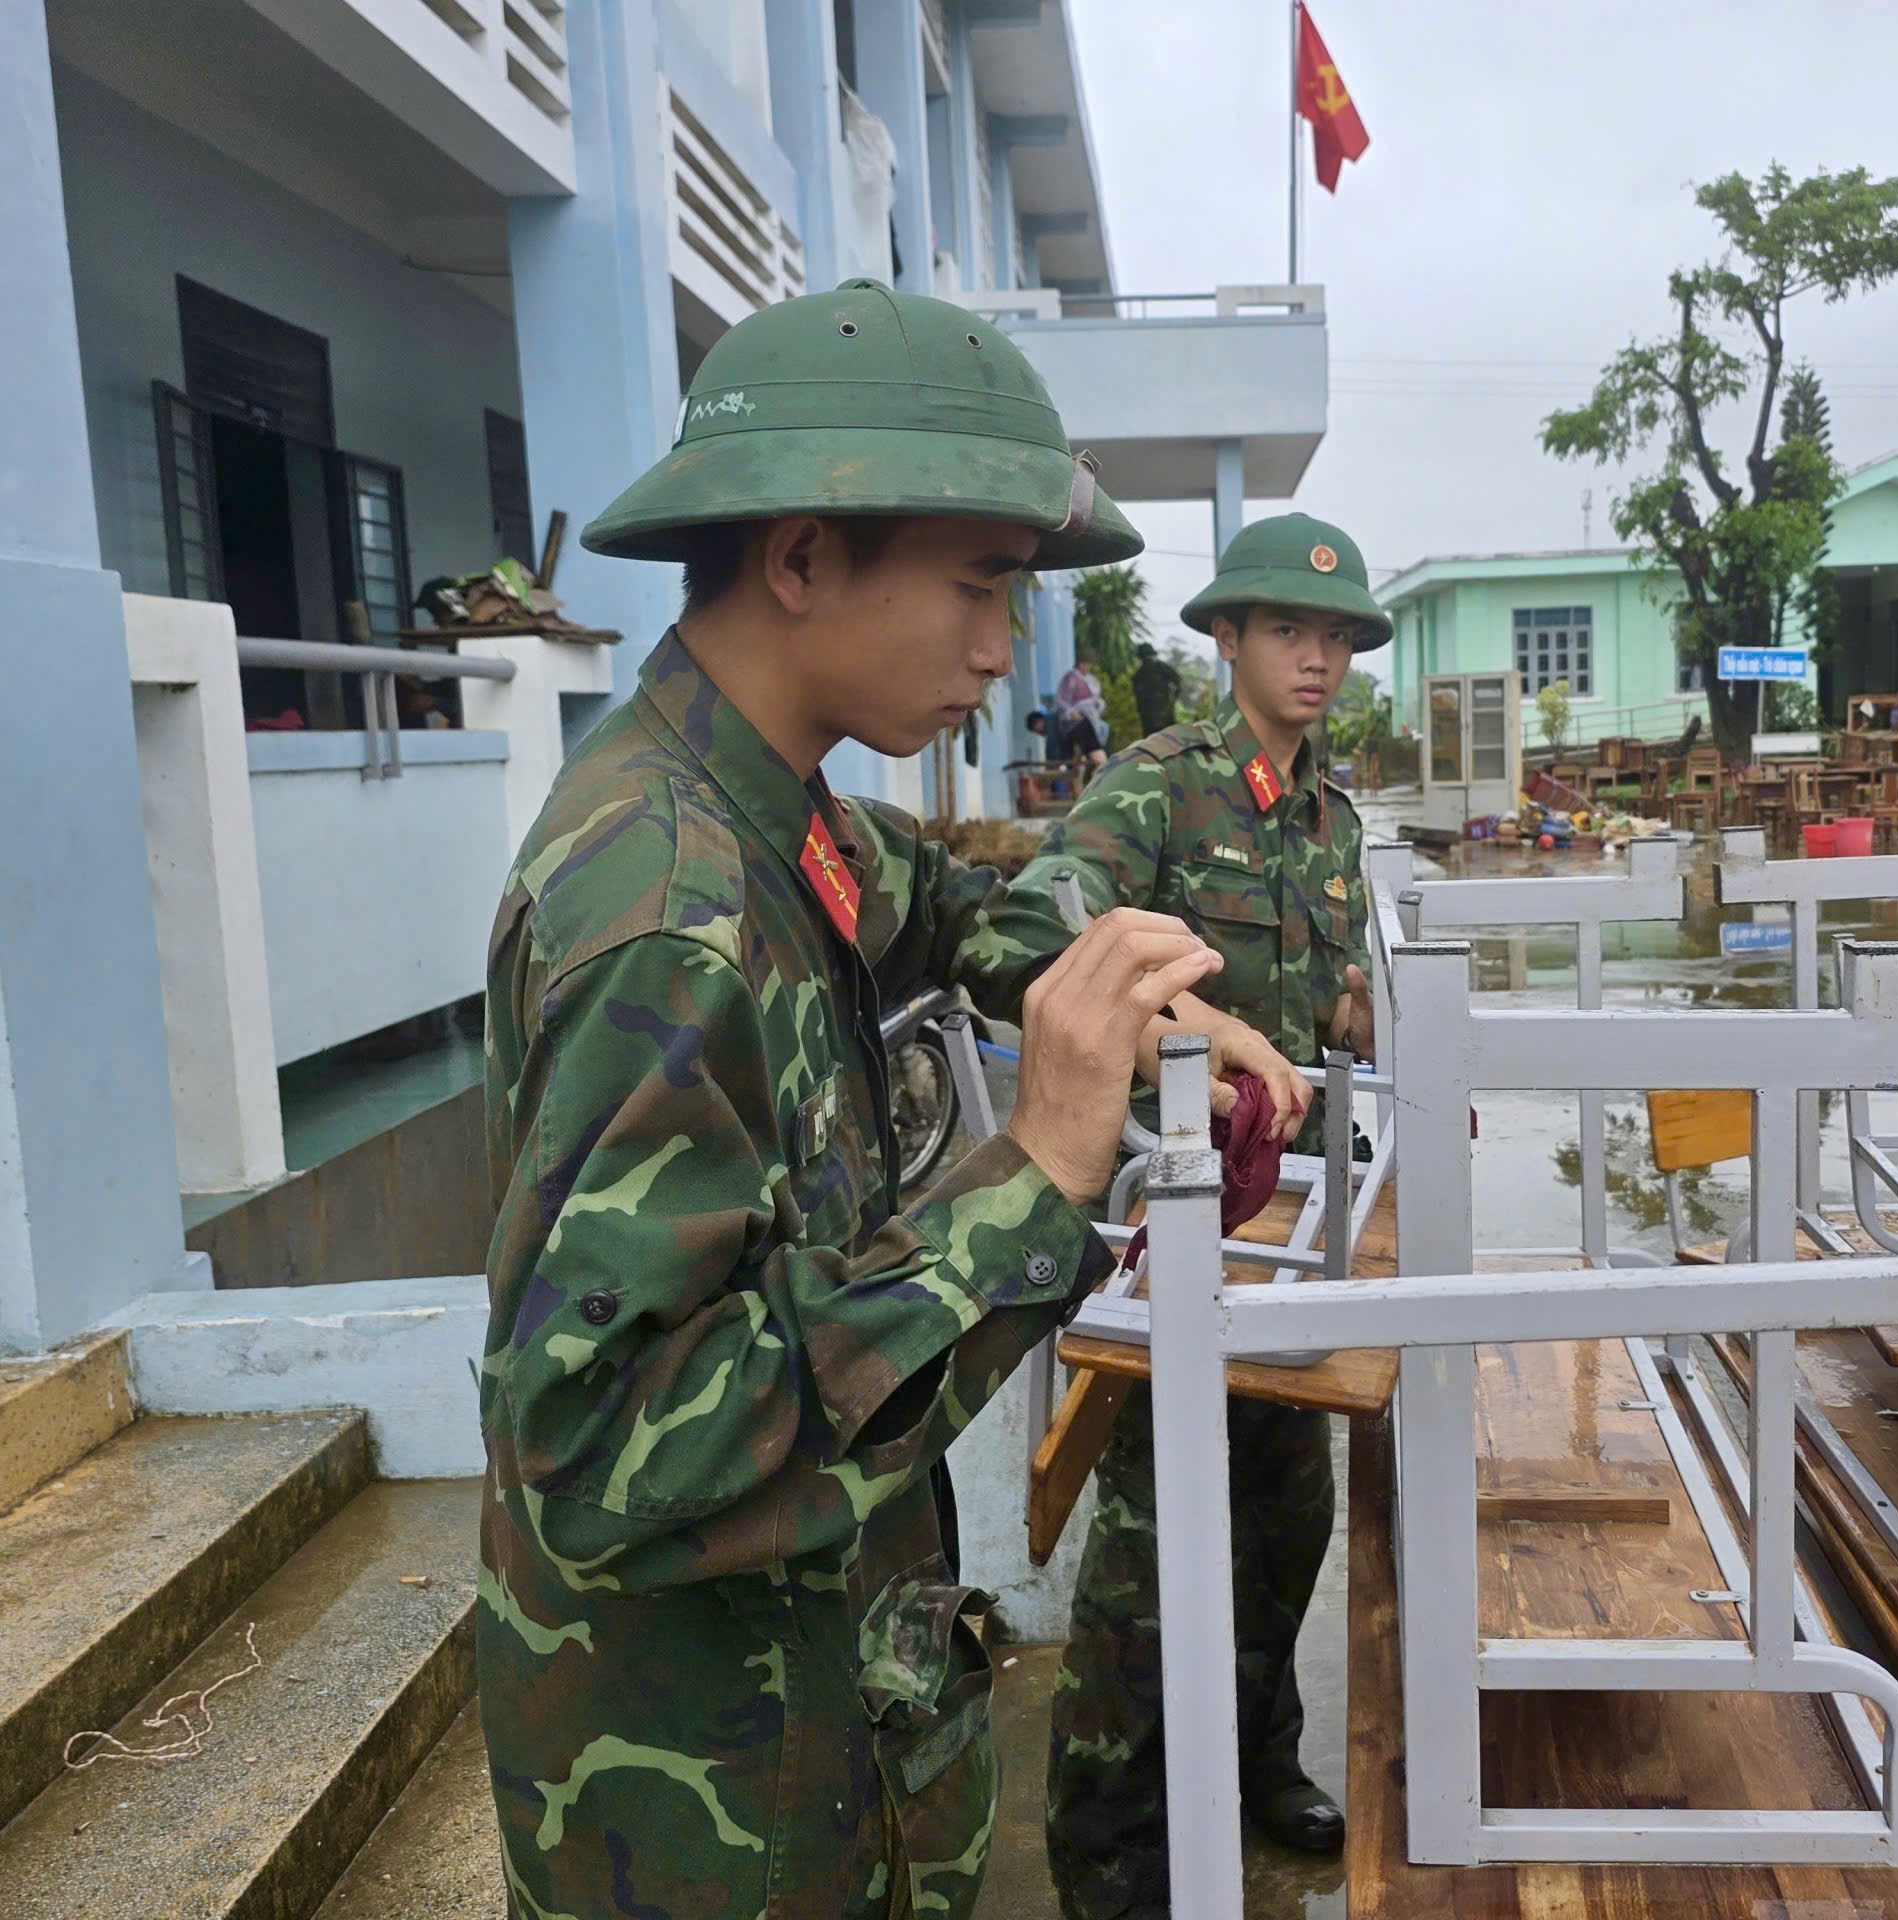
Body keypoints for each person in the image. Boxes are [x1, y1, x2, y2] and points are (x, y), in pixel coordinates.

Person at [476, 278, 1297, 1920]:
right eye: (981, 587)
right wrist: (1038, 1167)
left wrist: (1142, 996)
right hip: (710, 1813)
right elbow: (607, 1450)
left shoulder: (762, 808)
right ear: (800, 558)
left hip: (811, 1726)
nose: (1006, 653)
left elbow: (921, 893)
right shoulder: (668, 910)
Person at [983, 512, 1390, 1920]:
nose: (1318, 659)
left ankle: (1260, 1761)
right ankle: (1106, 1850)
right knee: (1153, 1562)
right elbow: (1028, 930)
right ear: (1226, 638)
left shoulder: (1338, 822)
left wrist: (1361, 1030)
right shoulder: (1159, 790)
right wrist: (1208, 1023)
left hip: (1288, 1235)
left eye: (1337, 636)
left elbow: (1331, 1007)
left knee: (1286, 1522)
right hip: (1166, 1233)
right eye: (1291, 630)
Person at [1027, 703, 1106, 769]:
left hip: (1080, 729)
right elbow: (1062, 747)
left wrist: (1049, 765)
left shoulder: (1050, 721)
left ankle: (1105, 773)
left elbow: (1052, 746)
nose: (1039, 734)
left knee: (1097, 757)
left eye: (1037, 731)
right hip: (1079, 732)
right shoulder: (1055, 721)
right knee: (1078, 765)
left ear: (1038, 721)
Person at [1130, 639, 1182, 734]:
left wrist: (1173, 700)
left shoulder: (1139, 674)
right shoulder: (1160, 668)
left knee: (1152, 742)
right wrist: (1173, 700)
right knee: (1169, 740)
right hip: (1163, 713)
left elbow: (1137, 698)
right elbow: (1178, 681)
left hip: (1150, 716)